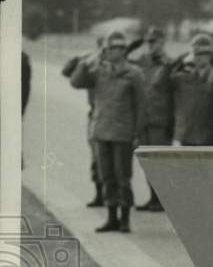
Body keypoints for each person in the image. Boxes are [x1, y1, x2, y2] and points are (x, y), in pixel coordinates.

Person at [70, 31, 146, 234]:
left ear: (123, 51)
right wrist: (91, 59)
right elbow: (76, 82)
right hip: (101, 131)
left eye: (118, 48)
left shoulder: (134, 73)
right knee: (107, 177)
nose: (114, 51)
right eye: (110, 48)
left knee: (123, 176)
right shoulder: (98, 70)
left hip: (123, 133)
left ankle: (125, 219)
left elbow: (141, 106)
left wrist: (137, 134)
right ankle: (111, 218)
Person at [130, 25, 173, 211]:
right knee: (146, 160)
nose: (151, 45)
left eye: (154, 42)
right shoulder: (142, 61)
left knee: (159, 161)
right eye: (149, 42)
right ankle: (152, 197)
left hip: (160, 119)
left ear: (163, 42)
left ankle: (161, 199)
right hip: (143, 119)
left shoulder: (170, 63)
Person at [62, 37, 105, 207]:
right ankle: (99, 195)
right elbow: (67, 72)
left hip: (116, 114)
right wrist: (83, 58)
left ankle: (113, 197)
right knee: (96, 156)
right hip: (95, 113)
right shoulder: (91, 63)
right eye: (102, 46)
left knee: (113, 159)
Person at [170, 33, 213, 146]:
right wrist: (181, 60)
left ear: (210, 55)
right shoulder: (186, 76)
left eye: (202, 54)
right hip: (187, 135)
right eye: (195, 54)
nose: (198, 57)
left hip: (208, 136)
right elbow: (166, 81)